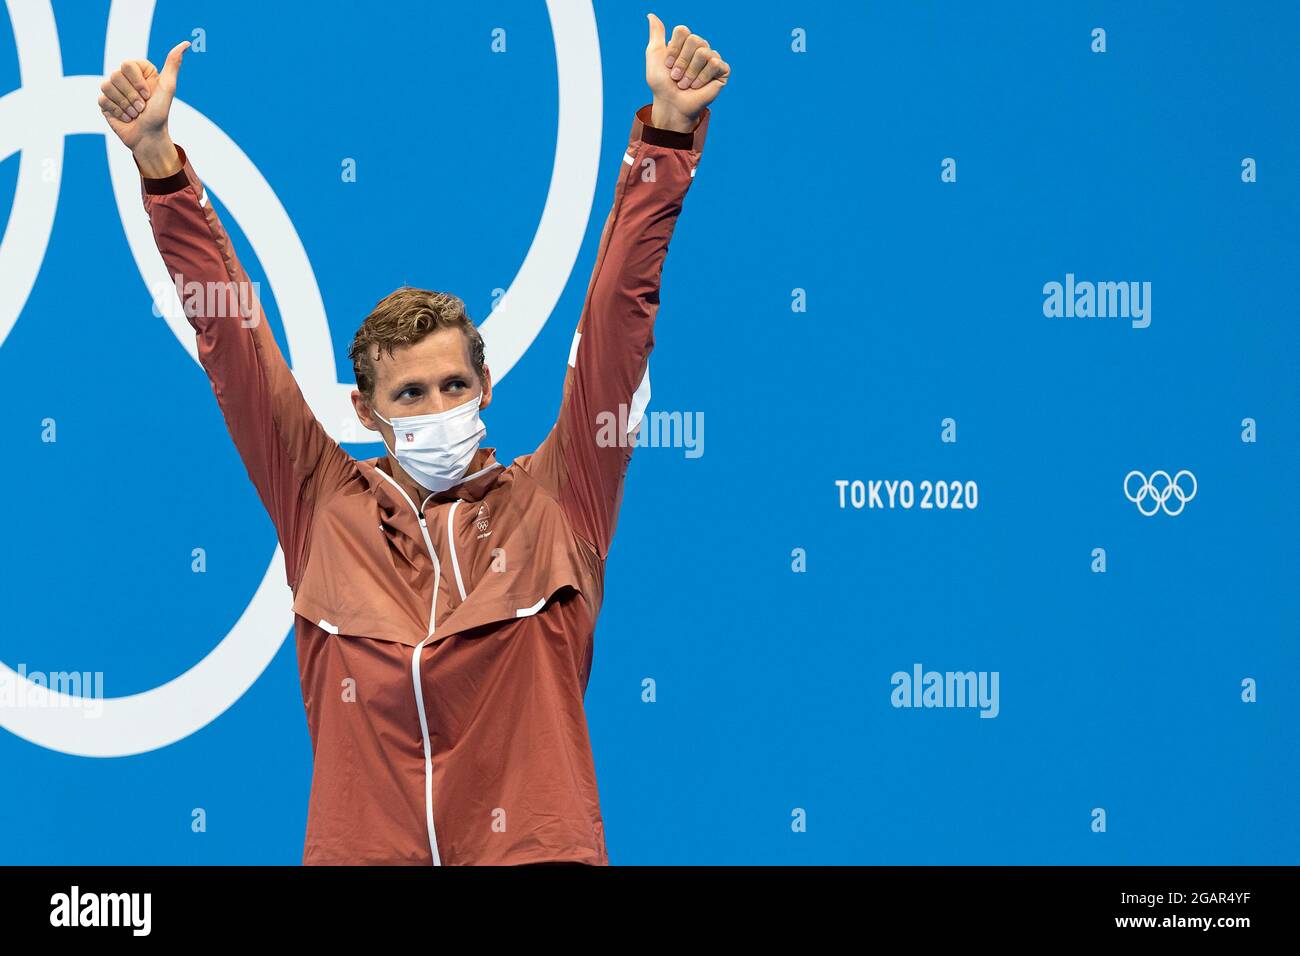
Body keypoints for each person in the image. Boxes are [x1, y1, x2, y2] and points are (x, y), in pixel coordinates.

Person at [97, 14, 729, 865]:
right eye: (411, 393)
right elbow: (234, 344)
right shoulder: (321, 507)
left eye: (454, 386)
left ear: (486, 389)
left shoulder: (557, 500)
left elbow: (618, 318)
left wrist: (668, 137)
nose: (437, 407)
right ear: (367, 411)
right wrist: (160, 167)